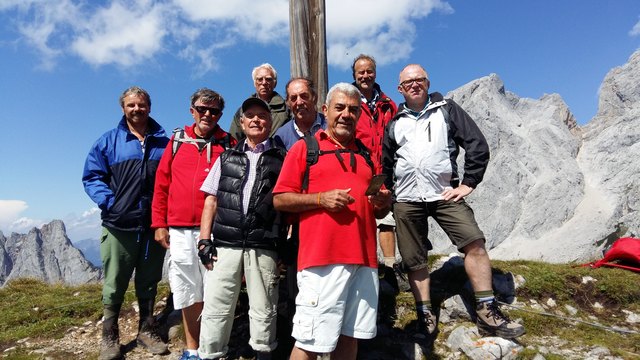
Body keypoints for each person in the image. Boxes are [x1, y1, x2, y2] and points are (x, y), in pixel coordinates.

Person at [381, 64, 526, 340]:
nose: (414, 85)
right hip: (408, 199)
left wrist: (468, 183)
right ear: (400, 89)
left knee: (474, 243)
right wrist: (389, 192)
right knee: (414, 259)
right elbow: (387, 163)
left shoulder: (447, 109)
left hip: (444, 194)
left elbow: (476, 144)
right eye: (408, 82)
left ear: (427, 82)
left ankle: (487, 312)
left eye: (419, 80)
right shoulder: (395, 122)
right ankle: (425, 314)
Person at [273, 83, 392, 359]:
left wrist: (382, 205)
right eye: (339, 108)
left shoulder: (365, 155)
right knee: (310, 342)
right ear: (325, 110)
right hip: (321, 262)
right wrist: (320, 199)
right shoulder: (305, 149)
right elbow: (280, 199)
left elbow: (377, 214)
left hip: (364, 262)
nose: (346, 115)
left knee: (350, 338)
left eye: (353, 110)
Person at [82, 86, 170, 359]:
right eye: (131, 105)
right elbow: (92, 176)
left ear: (149, 107)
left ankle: (147, 328)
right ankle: (109, 336)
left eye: (141, 105)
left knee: (149, 279)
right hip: (118, 225)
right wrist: (110, 203)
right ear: (123, 109)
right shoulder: (108, 142)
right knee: (115, 281)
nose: (136, 109)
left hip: (152, 225)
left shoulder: (164, 144)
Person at [197, 97, 287, 360]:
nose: (256, 120)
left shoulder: (283, 159)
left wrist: (285, 242)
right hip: (224, 245)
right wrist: (204, 241)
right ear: (242, 122)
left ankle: (263, 353)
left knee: (264, 308)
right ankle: (211, 354)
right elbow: (210, 199)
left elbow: (288, 205)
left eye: (262, 115)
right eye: (250, 115)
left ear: (270, 122)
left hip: (264, 245)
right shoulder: (227, 157)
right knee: (217, 308)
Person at [151, 88, 235, 360]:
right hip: (179, 228)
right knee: (188, 289)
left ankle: (212, 348)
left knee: (214, 288)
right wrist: (159, 224)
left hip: (216, 230)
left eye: (214, 111)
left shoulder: (229, 144)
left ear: (220, 115)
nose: (208, 115)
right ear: (192, 111)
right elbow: (162, 184)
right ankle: (191, 348)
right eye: (202, 109)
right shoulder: (177, 141)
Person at [350, 54, 408, 294]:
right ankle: (362, 265)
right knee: (358, 217)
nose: (365, 76)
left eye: (369, 71)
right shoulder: (349, 99)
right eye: (360, 72)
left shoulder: (388, 103)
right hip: (357, 167)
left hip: (383, 169)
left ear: (375, 73)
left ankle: (389, 266)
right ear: (354, 75)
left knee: (386, 221)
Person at [229, 63, 290, 141]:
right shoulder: (242, 110)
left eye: (268, 79)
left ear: (275, 83)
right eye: (260, 79)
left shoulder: (287, 108)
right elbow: (233, 140)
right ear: (255, 83)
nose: (264, 83)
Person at [273, 77, 326, 149]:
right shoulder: (281, 136)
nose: (299, 102)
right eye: (293, 98)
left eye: (304, 96)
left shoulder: (330, 127)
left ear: (314, 98)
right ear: (288, 103)